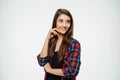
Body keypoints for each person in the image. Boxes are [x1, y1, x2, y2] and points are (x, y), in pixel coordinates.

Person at [37, 8, 81, 80]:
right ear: (55, 22)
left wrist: (50, 70)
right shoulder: (51, 42)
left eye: (67, 22)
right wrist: (47, 38)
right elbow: (42, 62)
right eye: (61, 21)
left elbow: (72, 71)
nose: (64, 25)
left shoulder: (74, 44)